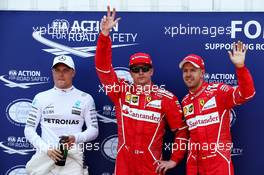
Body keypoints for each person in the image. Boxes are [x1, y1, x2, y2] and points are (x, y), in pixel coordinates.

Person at [95, 6, 188, 175]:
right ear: (130, 72)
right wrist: (104, 36)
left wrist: (175, 159)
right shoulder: (121, 91)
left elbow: (181, 130)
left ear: (151, 71)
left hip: (151, 167)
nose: (140, 73)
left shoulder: (166, 98)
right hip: (124, 166)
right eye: (136, 69)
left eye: (144, 68)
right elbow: (103, 69)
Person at [179, 41, 255, 175]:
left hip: (218, 166)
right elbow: (192, 137)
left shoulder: (218, 91)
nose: (188, 74)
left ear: (202, 73)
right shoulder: (185, 101)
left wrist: (240, 67)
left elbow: (247, 94)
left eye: (193, 70)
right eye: (185, 71)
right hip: (195, 167)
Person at [24, 55, 99, 175]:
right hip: (45, 156)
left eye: (65, 70)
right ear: (52, 72)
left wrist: (75, 138)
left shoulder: (85, 98)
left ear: (73, 73)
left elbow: (94, 130)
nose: (61, 74)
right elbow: (29, 129)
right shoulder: (41, 97)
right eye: (57, 70)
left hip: (72, 158)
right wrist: (46, 149)